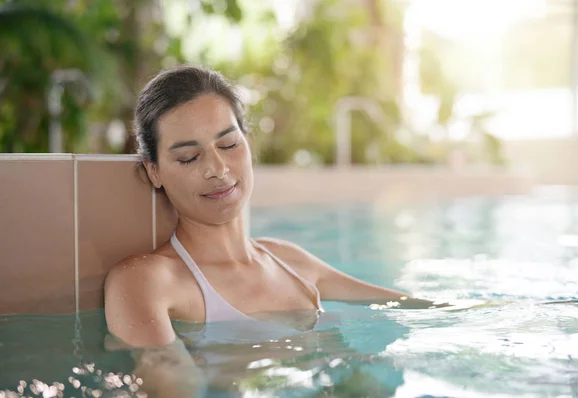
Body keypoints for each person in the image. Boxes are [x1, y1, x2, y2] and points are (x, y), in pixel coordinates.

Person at [104, 65, 448, 395]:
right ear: (154, 172)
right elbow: (172, 388)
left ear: (247, 143)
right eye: (189, 157)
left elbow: (414, 308)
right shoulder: (147, 281)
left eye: (228, 145)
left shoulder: (289, 261)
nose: (218, 168)